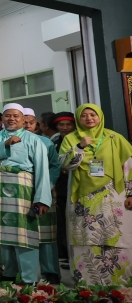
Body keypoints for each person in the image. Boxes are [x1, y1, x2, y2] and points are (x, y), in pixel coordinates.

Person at [59, 103, 132, 285]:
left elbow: (129, 166)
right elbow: (65, 164)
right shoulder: (71, 138)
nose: (89, 118)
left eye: (92, 114)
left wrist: (131, 192)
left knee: (114, 234)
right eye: (84, 115)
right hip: (82, 199)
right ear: (78, 118)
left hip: (113, 196)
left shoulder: (114, 137)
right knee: (85, 237)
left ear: (100, 117)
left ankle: (120, 282)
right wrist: (80, 146)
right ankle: (88, 284)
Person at [0, 103, 52, 284]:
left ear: (22, 119)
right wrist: (5, 144)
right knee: (4, 234)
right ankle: (9, 272)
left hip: (23, 190)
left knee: (25, 234)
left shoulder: (34, 140)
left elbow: (42, 170)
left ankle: (28, 278)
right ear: (2, 119)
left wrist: (42, 199)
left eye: (15, 116)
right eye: (7, 115)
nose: (11, 119)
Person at [23, 107, 62, 283]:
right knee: (23, 233)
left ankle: (50, 271)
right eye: (24, 122)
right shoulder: (10, 141)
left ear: (36, 124)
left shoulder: (45, 142)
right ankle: (26, 274)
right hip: (21, 193)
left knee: (46, 233)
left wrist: (48, 185)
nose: (27, 125)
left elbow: (54, 166)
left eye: (31, 122)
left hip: (44, 192)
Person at [50, 111, 76, 266]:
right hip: (60, 186)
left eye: (69, 124)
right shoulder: (54, 142)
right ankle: (66, 254)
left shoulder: (78, 140)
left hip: (76, 184)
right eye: (61, 124)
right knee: (62, 221)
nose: (65, 127)